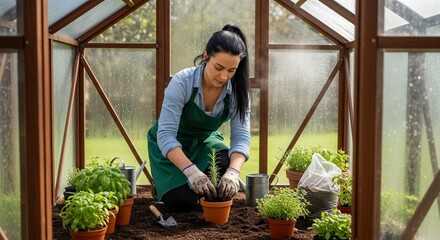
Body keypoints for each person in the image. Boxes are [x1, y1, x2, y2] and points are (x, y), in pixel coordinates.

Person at [147, 24, 251, 211]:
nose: (223, 76)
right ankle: (163, 186)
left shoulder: (237, 92)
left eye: (231, 70)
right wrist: (192, 172)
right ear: (205, 57)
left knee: (225, 164)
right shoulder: (182, 82)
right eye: (218, 67)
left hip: (203, 142)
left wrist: (233, 173)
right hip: (169, 146)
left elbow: (241, 138)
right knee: (182, 201)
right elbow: (166, 135)